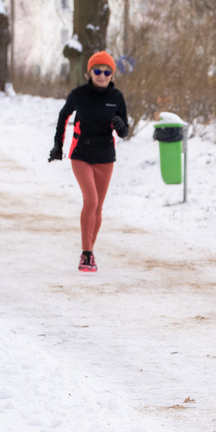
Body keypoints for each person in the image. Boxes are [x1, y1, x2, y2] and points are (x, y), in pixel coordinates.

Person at [49, 50, 129, 272]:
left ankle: (89, 252)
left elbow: (125, 130)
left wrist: (121, 128)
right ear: (89, 72)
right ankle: (87, 253)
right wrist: (58, 146)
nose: (102, 75)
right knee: (91, 201)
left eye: (107, 71)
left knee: (98, 207)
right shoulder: (79, 95)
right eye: (97, 70)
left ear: (112, 74)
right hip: (81, 154)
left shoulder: (117, 98)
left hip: (105, 157)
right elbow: (63, 116)